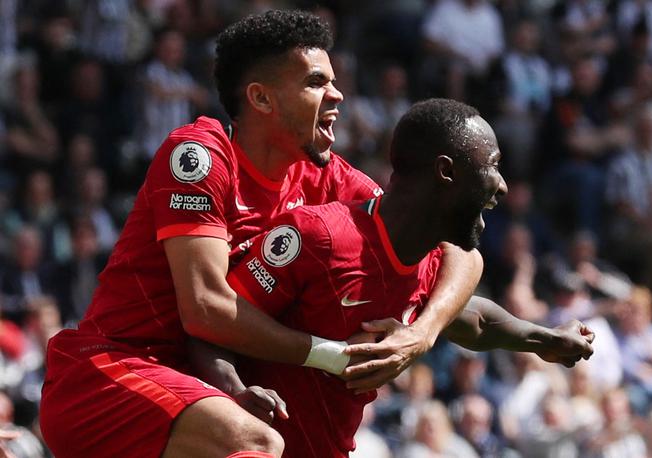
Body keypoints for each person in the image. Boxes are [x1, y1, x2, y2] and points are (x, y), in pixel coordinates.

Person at [39, 10, 482, 458]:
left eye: (333, 81)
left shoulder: (328, 180)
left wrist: (422, 333)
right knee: (256, 441)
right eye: (315, 83)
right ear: (262, 98)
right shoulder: (201, 156)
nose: (337, 94)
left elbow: (452, 241)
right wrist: (331, 354)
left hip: (193, 393)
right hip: (110, 374)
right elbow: (207, 310)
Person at [219, 99, 594, 457]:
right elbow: (216, 324)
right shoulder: (320, 236)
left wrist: (546, 339)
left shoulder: (428, 261)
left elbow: (471, 319)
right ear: (446, 172)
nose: (502, 185)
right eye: (492, 165)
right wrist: (236, 391)